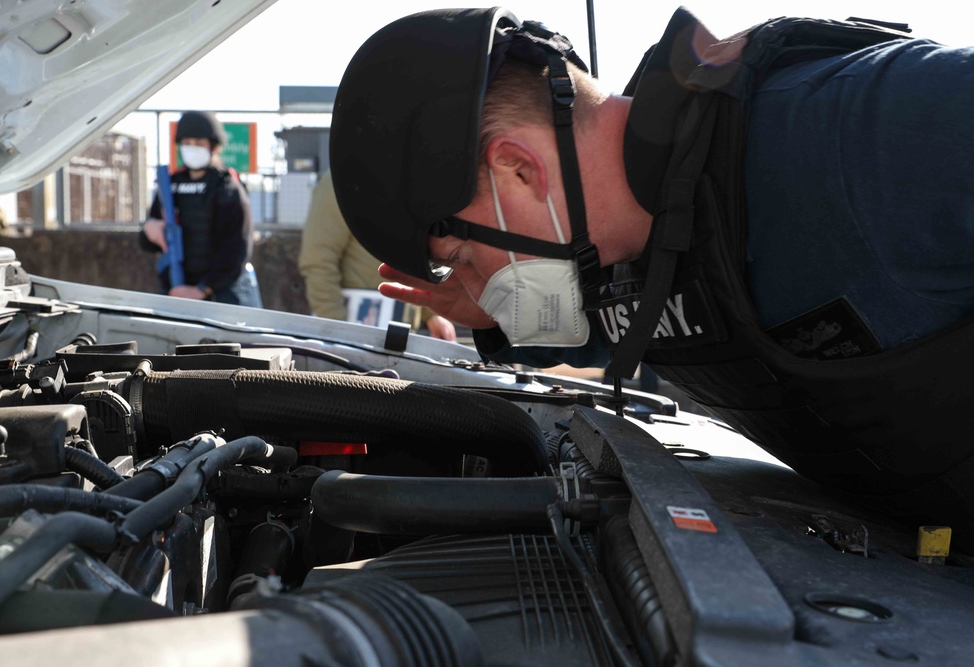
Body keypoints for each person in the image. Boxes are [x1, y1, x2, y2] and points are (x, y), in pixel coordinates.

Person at [328, 8, 974, 534]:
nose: (470, 276)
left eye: (464, 256)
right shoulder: (629, 247)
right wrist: (499, 316)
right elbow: (618, 321)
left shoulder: (850, 128)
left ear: (517, 170)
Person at [298, 169, 456, 340]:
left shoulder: (406, 182)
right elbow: (318, 262)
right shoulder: (339, 181)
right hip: (354, 335)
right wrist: (337, 329)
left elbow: (413, 258)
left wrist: (430, 314)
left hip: (399, 335)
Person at [140, 110, 262, 307]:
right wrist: (149, 230)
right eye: (187, 143)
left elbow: (237, 249)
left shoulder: (226, 187)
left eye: (199, 143)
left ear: (213, 146)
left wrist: (202, 290)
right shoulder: (170, 185)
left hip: (220, 295)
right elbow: (148, 242)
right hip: (177, 290)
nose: (192, 148)